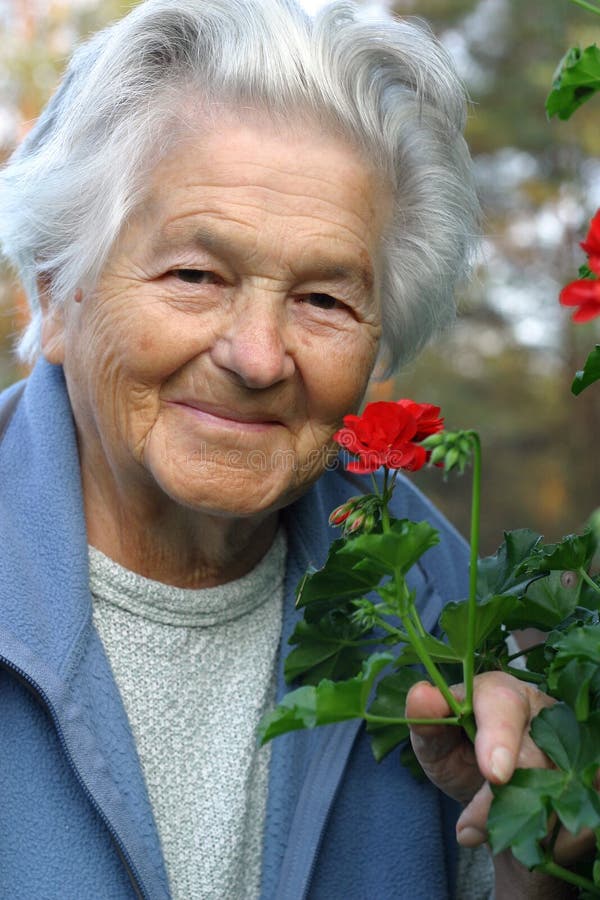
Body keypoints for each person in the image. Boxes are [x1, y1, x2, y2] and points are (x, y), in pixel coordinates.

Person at [0, 1, 579, 897]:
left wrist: (528, 870)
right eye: (195, 276)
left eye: (325, 300)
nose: (260, 356)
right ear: (58, 289)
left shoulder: (449, 622)